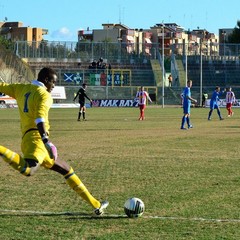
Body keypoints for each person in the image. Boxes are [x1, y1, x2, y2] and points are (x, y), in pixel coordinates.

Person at [0, 67, 108, 216]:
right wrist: (46, 141)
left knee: (66, 169)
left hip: (29, 138)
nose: (54, 86)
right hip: (37, 139)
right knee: (29, 170)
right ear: (45, 80)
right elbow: (39, 118)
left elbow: (2, 86)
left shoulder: (21, 88)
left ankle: (96, 204)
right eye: (53, 82)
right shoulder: (44, 95)